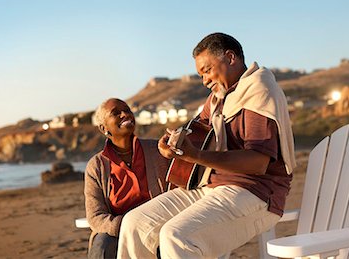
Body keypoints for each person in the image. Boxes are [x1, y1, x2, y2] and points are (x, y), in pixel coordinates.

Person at [117, 33, 296, 258]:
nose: (204, 81)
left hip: (256, 192)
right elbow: (198, 130)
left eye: (207, 70)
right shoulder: (219, 97)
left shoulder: (258, 90)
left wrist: (196, 156)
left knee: (177, 235)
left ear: (231, 58)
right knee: (135, 223)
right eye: (201, 74)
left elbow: (258, 162)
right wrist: (173, 145)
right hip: (210, 186)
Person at [84, 98, 169, 259]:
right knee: (102, 246)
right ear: (104, 128)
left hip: (158, 224)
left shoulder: (157, 150)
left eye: (127, 110)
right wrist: (128, 226)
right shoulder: (96, 166)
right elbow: (95, 217)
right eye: (116, 113)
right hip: (118, 230)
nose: (125, 114)